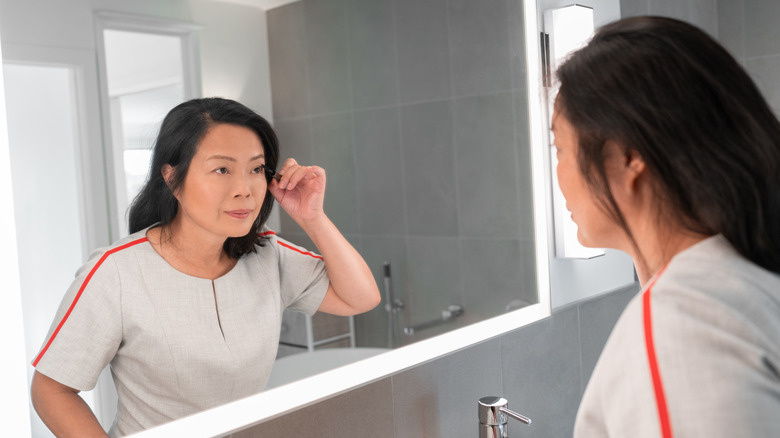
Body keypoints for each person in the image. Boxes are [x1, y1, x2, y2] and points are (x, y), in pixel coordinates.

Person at [29, 97, 381, 437]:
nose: (244, 189)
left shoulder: (267, 254)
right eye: (222, 169)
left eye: (256, 169)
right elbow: (52, 389)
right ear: (172, 177)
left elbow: (359, 299)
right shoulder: (115, 272)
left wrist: (313, 217)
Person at [551, 17, 780, 437]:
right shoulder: (740, 284)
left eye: (560, 147)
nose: (559, 173)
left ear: (628, 156)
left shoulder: (682, 323)